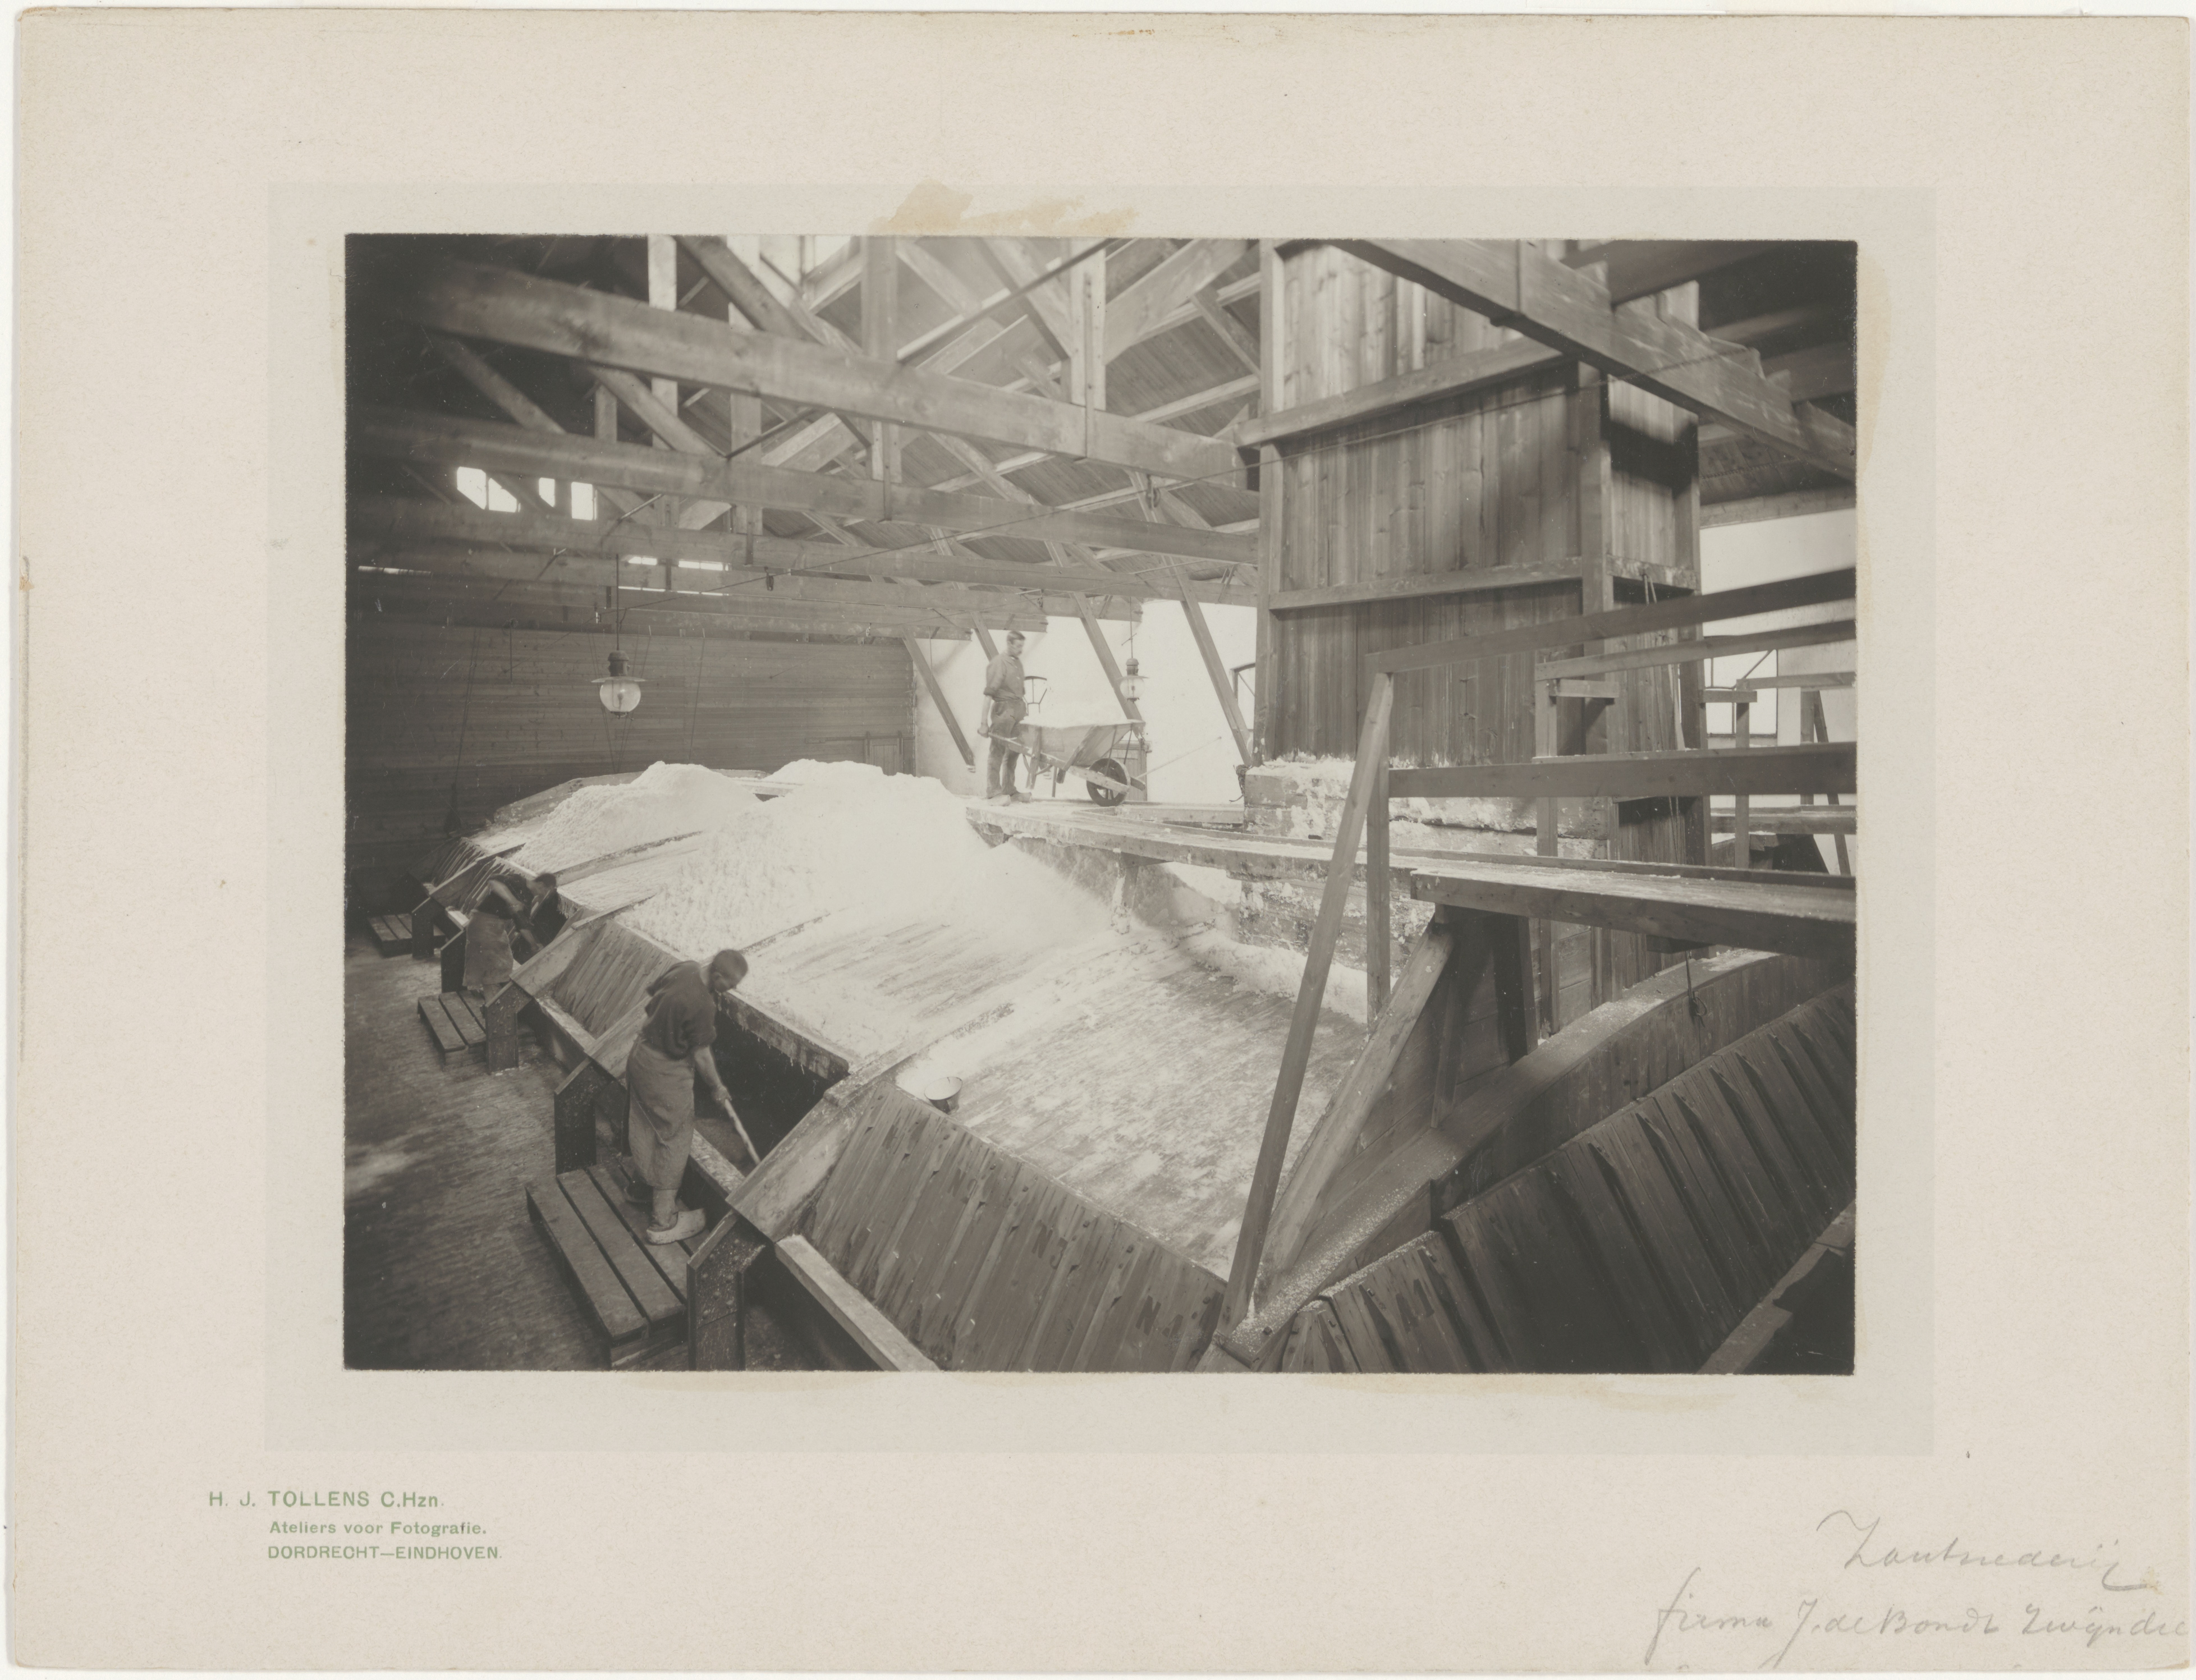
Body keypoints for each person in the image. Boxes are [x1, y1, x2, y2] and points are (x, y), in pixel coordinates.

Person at [624, 948, 747, 1245]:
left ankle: (640, 1189)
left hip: (641, 1056)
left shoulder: (686, 968)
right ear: (717, 975)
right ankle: (663, 1221)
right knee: (674, 1136)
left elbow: (652, 1001)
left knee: (646, 1124)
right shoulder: (703, 1005)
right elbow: (702, 1055)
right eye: (730, 985)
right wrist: (717, 1087)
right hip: (665, 1072)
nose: (730, 991)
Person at [982, 630, 1031, 803]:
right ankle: (993, 792)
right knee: (997, 751)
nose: (1021, 650)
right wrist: (984, 723)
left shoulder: (1017, 663)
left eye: (1022, 646)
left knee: (1014, 752)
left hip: (1018, 710)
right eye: (1018, 646)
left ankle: (1009, 790)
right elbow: (988, 695)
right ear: (1009, 644)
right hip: (1004, 711)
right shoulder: (999, 663)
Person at [462, 879, 525, 998]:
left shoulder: (508, 890)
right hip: (486, 929)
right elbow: (493, 881)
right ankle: (493, 1003)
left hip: (484, 926)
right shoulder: (513, 889)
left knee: (495, 968)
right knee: (493, 972)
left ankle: (491, 998)